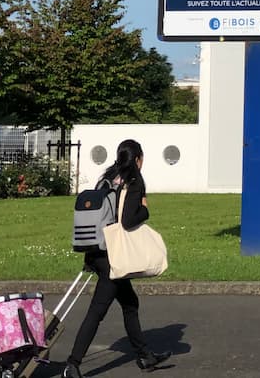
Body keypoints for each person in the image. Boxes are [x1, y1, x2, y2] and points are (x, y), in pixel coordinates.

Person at [63, 140, 170, 378]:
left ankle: (145, 356)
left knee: (130, 303)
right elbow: (129, 220)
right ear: (138, 158)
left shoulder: (108, 177)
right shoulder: (134, 180)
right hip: (115, 255)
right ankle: (72, 364)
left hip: (98, 248)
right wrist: (145, 208)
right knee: (97, 312)